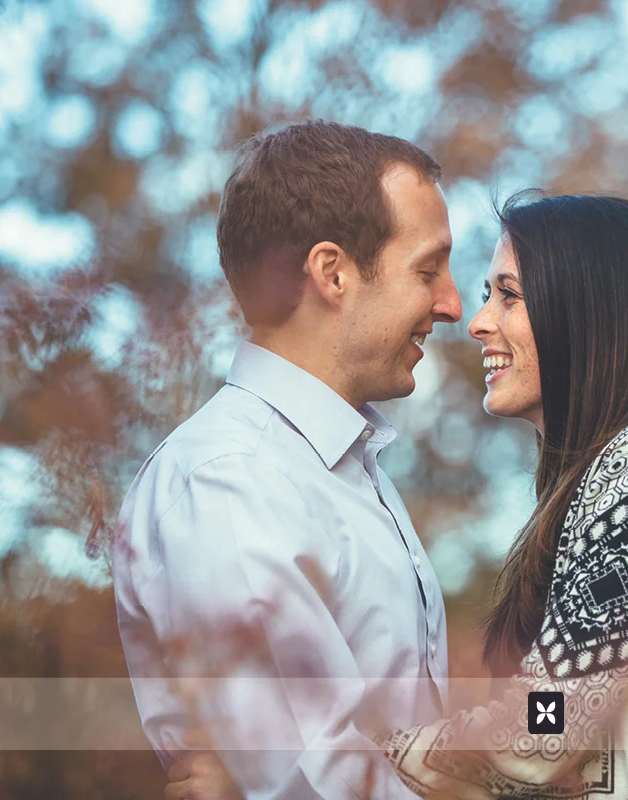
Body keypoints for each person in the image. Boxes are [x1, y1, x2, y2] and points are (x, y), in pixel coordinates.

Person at [166, 193, 628, 800]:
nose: (479, 321)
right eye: (488, 294)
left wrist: (286, 767)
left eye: (508, 294)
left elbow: (541, 726)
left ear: (589, 310)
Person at [112, 119, 463, 799]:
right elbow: (312, 777)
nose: (450, 304)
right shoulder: (228, 481)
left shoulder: (341, 469)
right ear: (332, 273)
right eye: (427, 270)